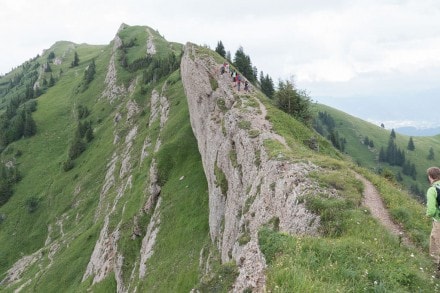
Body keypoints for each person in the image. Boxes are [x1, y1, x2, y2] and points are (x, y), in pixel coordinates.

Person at [426, 167, 440, 271]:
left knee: (436, 240)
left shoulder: (433, 189)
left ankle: (436, 266)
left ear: (430, 177)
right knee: (433, 237)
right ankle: (434, 263)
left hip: (438, 220)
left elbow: (431, 209)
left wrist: (428, 215)